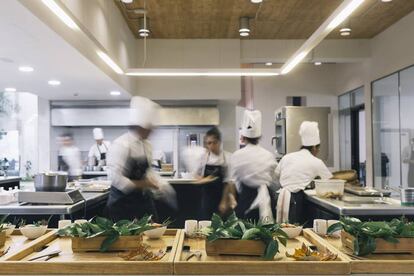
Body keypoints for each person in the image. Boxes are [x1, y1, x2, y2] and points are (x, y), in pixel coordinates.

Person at [106, 96, 176, 221]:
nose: (152, 132)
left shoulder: (147, 145)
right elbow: (115, 178)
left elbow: (147, 171)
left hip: (142, 200)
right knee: (128, 239)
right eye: (151, 128)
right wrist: (144, 184)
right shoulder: (121, 144)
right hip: (122, 203)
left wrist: (160, 184)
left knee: (154, 230)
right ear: (141, 127)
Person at [275, 121, 332, 224]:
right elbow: (330, 182)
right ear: (314, 147)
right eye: (318, 149)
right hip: (297, 200)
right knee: (295, 231)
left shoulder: (287, 157)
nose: (318, 151)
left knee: (283, 232)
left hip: (280, 197)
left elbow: (276, 175)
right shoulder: (317, 162)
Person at [226, 110, 278, 222]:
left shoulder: (236, 155)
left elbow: (232, 182)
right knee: (265, 235)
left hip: (245, 200)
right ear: (259, 137)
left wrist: (233, 201)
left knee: (246, 235)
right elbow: (274, 180)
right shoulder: (269, 155)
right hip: (266, 199)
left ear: (243, 136)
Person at [195, 127, 232, 219]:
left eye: (214, 142)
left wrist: (224, 201)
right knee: (206, 225)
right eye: (209, 143)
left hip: (221, 196)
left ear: (219, 142)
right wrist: (205, 180)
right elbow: (197, 175)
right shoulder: (203, 157)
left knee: (221, 227)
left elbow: (227, 183)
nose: (211, 146)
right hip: (207, 197)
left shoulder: (227, 157)